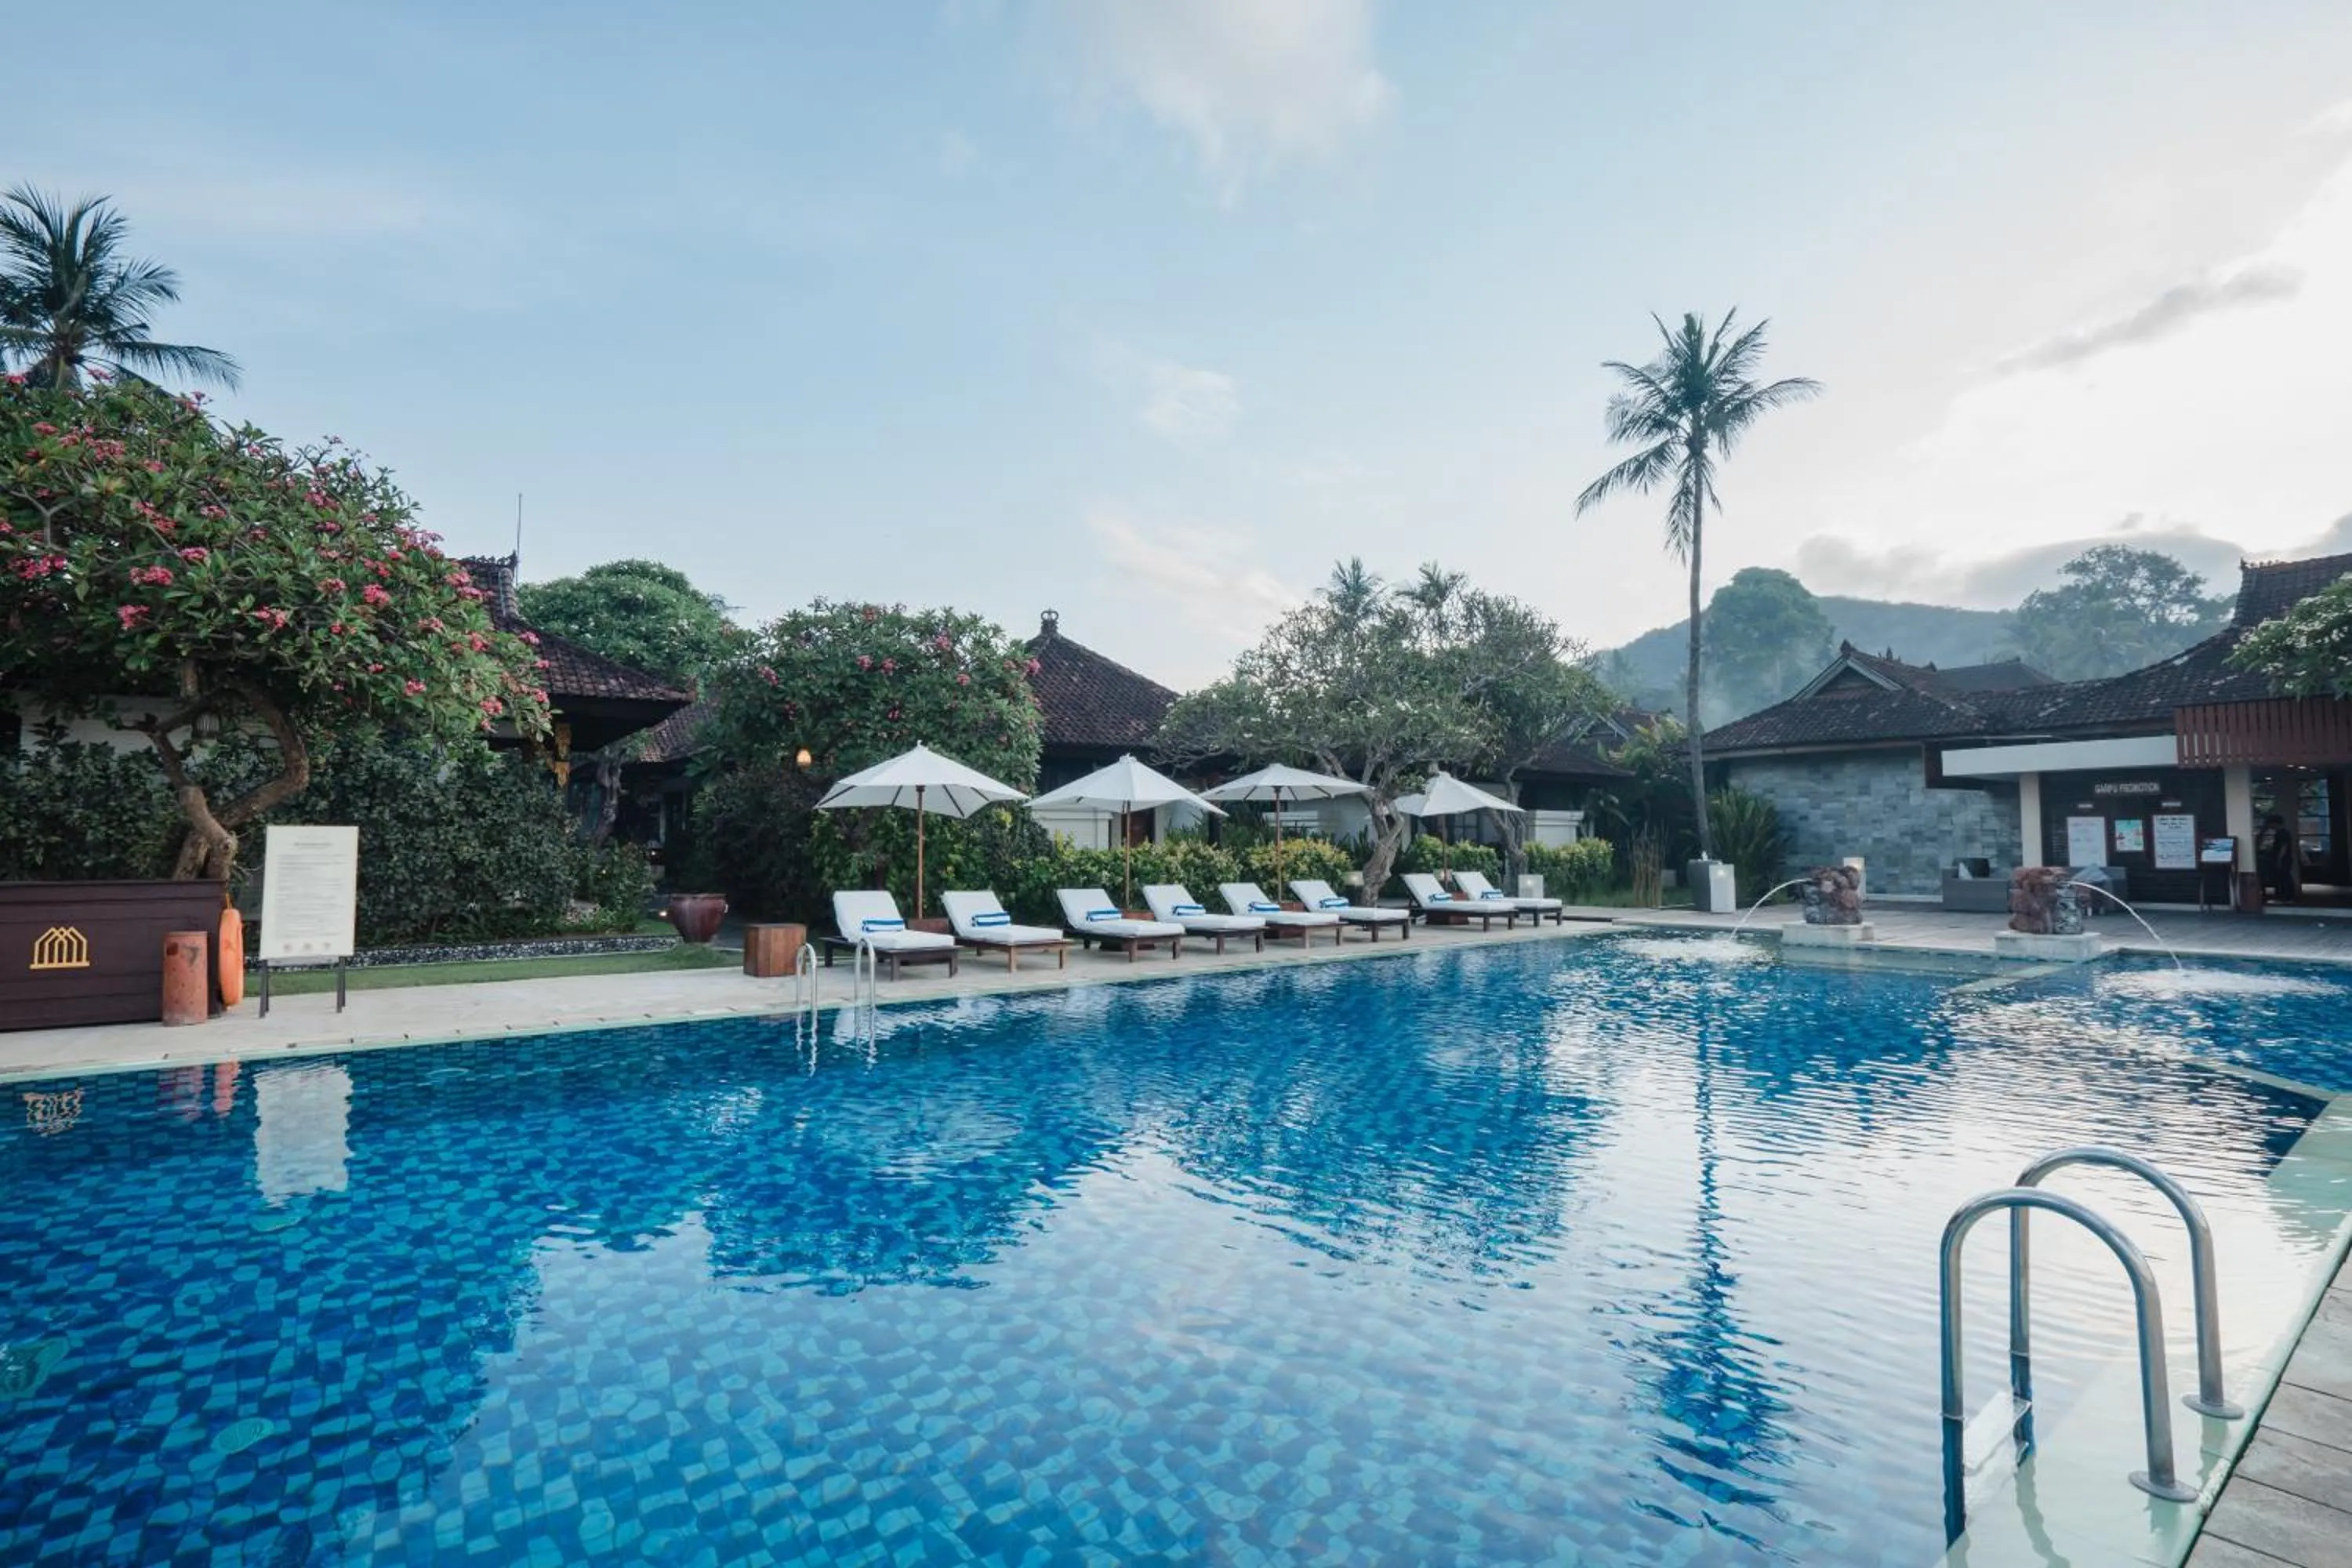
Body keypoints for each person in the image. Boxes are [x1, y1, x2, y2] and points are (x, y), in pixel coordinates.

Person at [2260, 813, 2301, 903]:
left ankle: (2283, 897)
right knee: (2284, 878)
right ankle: (2286, 897)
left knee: (2282, 878)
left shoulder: (2282, 833)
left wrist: (2279, 859)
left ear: (2274, 823)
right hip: (2284, 858)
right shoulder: (2283, 832)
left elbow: (2284, 847)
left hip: (2282, 859)